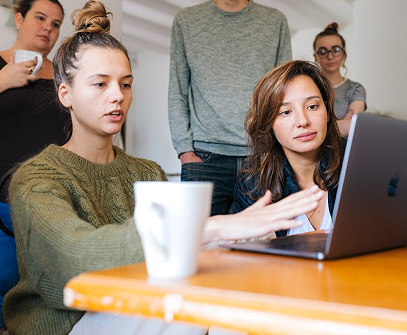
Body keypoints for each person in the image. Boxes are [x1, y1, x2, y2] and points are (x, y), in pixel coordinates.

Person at [3, 2, 323, 334]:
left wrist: (248, 236)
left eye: (125, 84)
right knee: (191, 310)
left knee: (235, 299)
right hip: (68, 323)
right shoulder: (33, 179)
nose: (118, 96)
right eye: (100, 84)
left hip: (140, 302)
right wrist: (208, 228)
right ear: (65, 94)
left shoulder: (147, 172)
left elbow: (170, 264)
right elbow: (77, 259)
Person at [168, 0, 292, 215]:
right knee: (198, 245)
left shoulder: (275, 21)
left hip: (261, 156)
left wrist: (278, 149)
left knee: (258, 244)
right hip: (203, 158)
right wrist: (184, 150)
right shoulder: (186, 20)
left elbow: (284, 93)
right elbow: (176, 89)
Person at [0, 0, 68, 332]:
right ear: (18, 18)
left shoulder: (63, 76)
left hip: (51, 206)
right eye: (40, 18)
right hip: (2, 208)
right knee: (3, 292)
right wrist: (3, 80)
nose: (48, 29)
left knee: (48, 298)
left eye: (55, 24)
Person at [233, 60, 344, 237]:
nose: (303, 121)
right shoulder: (252, 185)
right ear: (268, 124)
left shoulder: (356, 162)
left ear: (328, 112)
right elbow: (247, 259)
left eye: (312, 106)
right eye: (285, 112)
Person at [313, 22, 366, 137]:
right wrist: (339, 125)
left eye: (335, 50)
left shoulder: (356, 89)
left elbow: (351, 127)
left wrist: (316, 129)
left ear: (343, 53)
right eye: (322, 51)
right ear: (315, 57)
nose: (330, 56)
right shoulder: (309, 88)